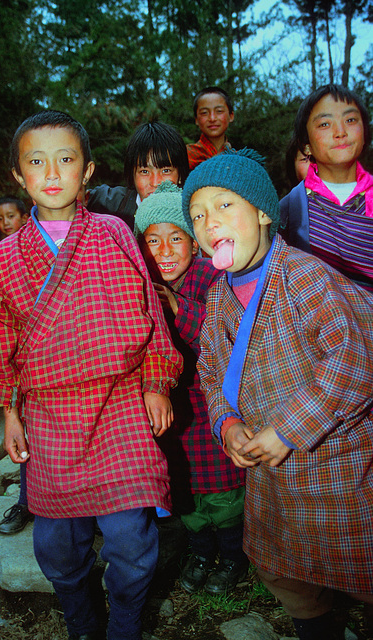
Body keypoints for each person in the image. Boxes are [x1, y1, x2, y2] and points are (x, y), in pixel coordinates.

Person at [0, 110, 183, 640]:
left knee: (131, 540)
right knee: (57, 545)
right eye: (37, 161)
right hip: (49, 414)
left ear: (88, 169)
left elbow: (151, 312)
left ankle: (125, 624)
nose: (52, 172)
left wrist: (157, 381)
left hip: (119, 406)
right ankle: (80, 619)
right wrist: (9, 414)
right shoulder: (3, 258)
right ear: (18, 176)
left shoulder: (115, 232)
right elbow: (0, 342)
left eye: (66, 159)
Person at [181, 147, 373, 640]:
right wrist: (225, 423)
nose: (209, 223)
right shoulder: (220, 295)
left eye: (225, 206)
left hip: (338, 466)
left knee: (358, 562)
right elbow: (209, 368)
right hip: (272, 479)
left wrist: (290, 430)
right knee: (289, 572)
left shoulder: (305, 276)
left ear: (264, 212)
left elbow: (352, 363)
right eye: (198, 215)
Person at [134, 181, 248, 595]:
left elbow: (226, 335)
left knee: (224, 496)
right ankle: (200, 552)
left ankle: (234, 556)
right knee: (188, 496)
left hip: (211, 405)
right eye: (152, 240)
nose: (164, 251)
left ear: (195, 243)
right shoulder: (136, 282)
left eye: (176, 238)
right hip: (170, 411)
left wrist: (179, 307)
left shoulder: (214, 278)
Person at [280, 84, 373, 293]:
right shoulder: (288, 212)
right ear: (306, 146)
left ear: (365, 132)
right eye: (324, 124)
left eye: (350, 120)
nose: (340, 132)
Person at [0, 196, 32, 534]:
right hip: (19, 359)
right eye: (0, 218)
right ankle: (25, 503)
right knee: (25, 439)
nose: (6, 223)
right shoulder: (3, 255)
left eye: (11, 216)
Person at [86, 120, 189, 229]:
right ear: (132, 174)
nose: (155, 182)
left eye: (166, 171)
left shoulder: (193, 210)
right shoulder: (110, 205)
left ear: (180, 175)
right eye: (144, 172)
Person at [186, 87, 234, 171]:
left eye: (219, 111)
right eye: (204, 113)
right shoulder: (185, 156)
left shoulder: (238, 159)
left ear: (231, 116)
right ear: (196, 119)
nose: (212, 118)